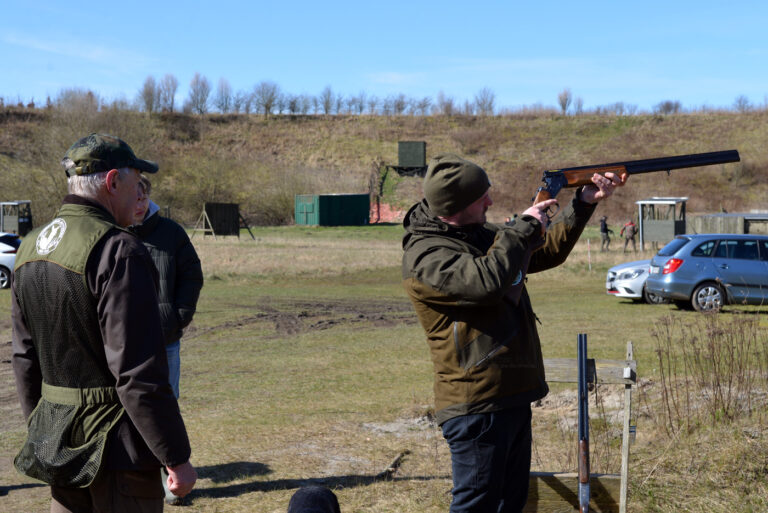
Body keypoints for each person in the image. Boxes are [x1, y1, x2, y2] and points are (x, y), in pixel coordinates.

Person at [401, 154, 624, 513]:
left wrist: (581, 204)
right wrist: (521, 229)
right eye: (481, 197)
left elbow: (544, 252)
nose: (490, 202)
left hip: (509, 396)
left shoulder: (476, 235)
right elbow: (486, 281)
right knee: (477, 506)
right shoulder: (427, 257)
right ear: (455, 206)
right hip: (476, 403)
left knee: (511, 504)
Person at [11, 133, 197, 513]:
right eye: (135, 183)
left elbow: (24, 358)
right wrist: (176, 457)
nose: (140, 196)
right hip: (119, 458)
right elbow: (136, 373)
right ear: (113, 182)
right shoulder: (118, 250)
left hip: (59, 448)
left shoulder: (29, 247)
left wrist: (44, 433)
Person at [131, 175, 204, 505]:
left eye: (143, 196)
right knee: (126, 409)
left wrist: (177, 317)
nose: (139, 203)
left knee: (165, 409)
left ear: (148, 197)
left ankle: (171, 484)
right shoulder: (109, 233)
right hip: (123, 344)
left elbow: (192, 274)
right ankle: (130, 480)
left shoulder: (171, 233)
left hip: (165, 340)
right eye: (133, 195)